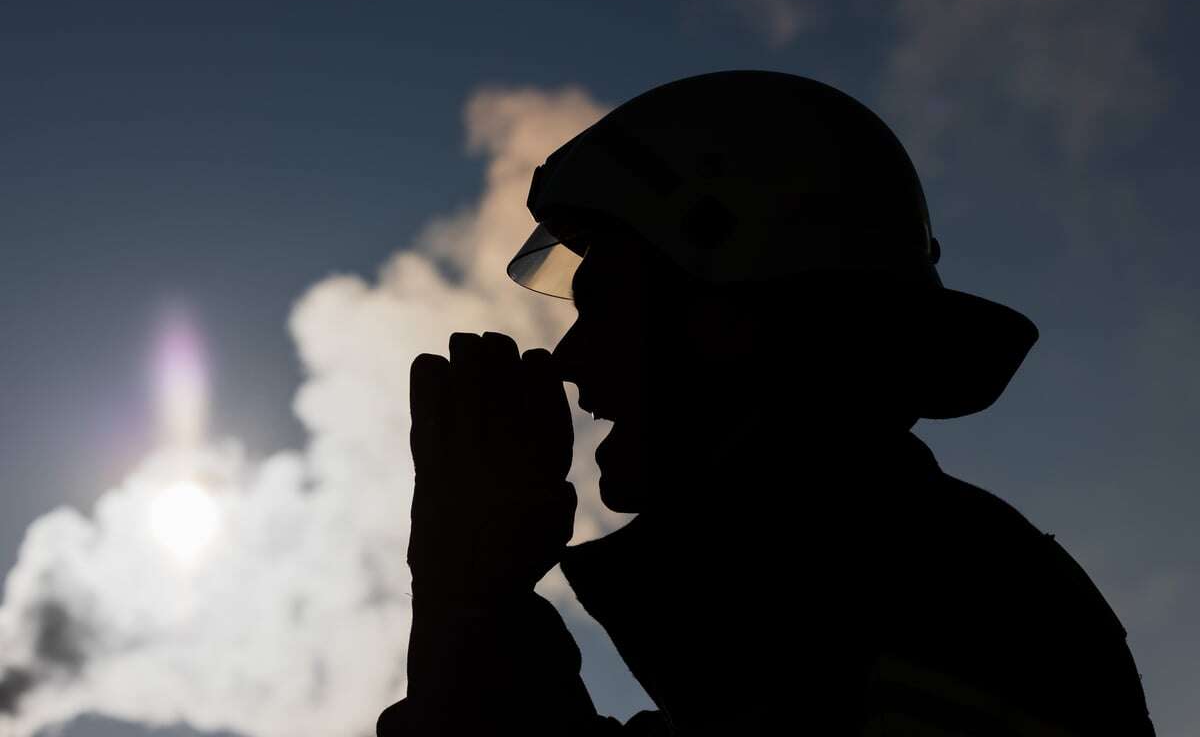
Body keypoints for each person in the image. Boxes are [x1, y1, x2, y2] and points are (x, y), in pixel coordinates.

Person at [377, 71, 1156, 735]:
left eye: (605, 302)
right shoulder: (884, 597)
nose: (571, 358)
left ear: (732, 318)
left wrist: (472, 599)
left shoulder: (964, 611)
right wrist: (478, 598)